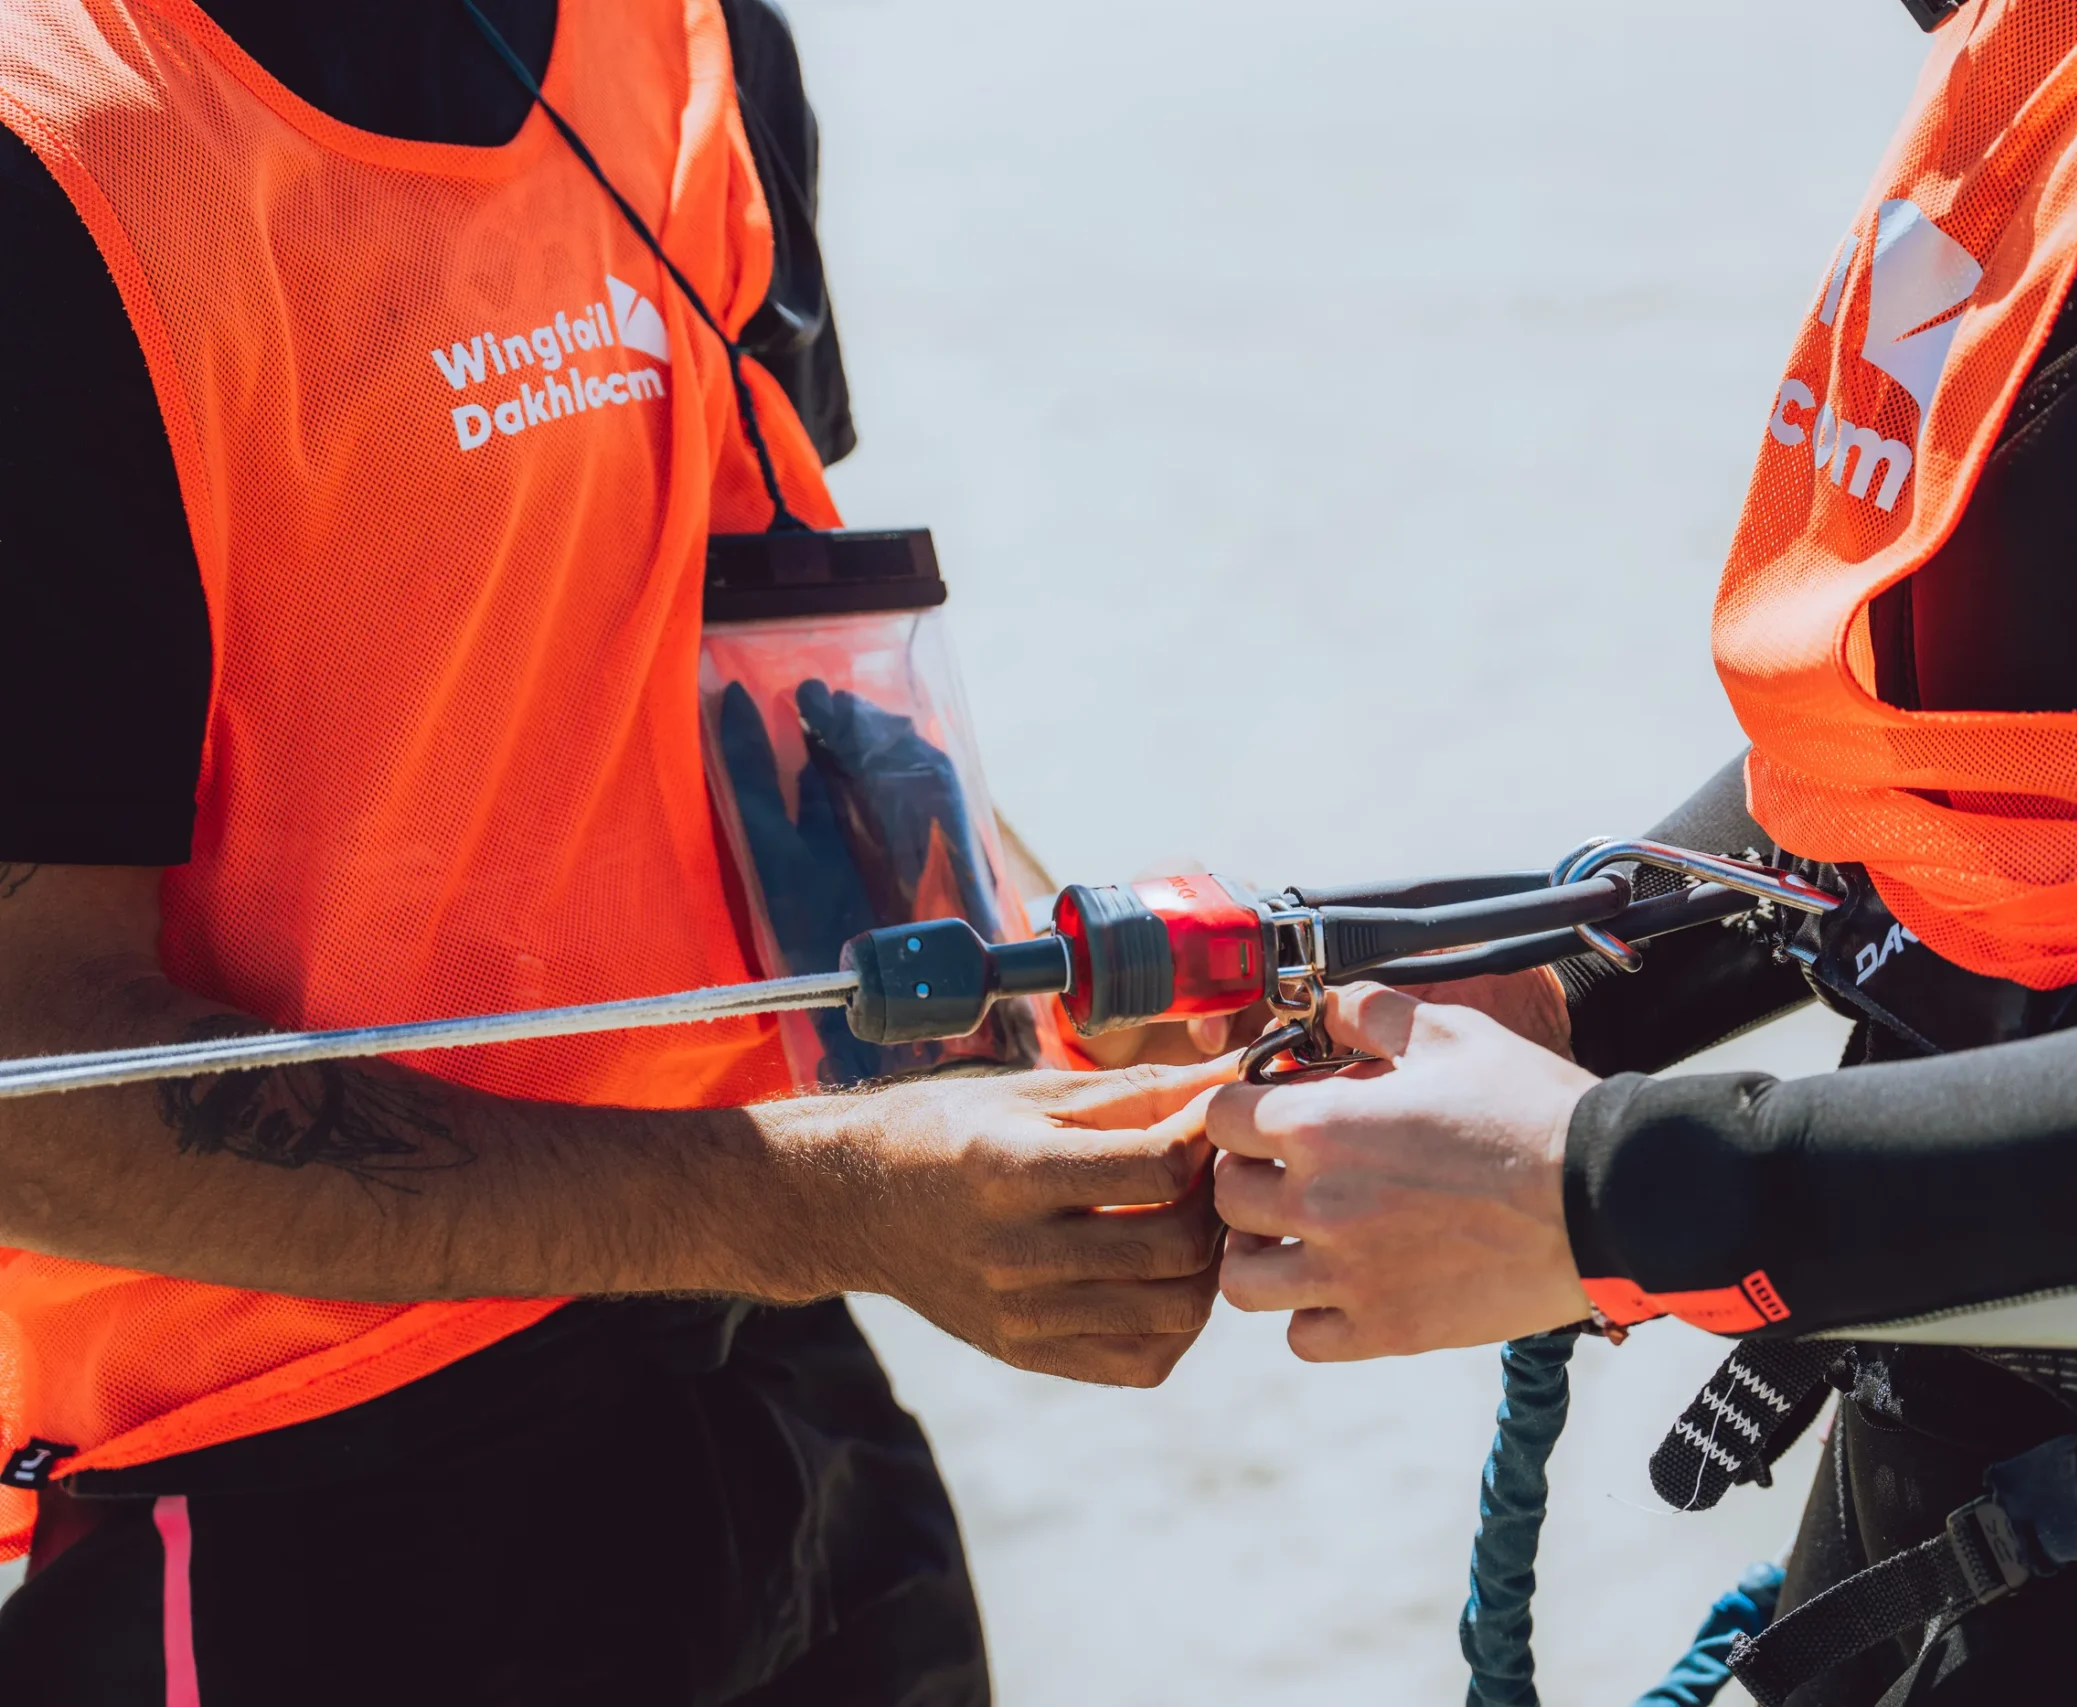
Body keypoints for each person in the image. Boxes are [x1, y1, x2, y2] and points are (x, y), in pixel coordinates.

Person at [1206, 0, 2077, 1702]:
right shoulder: (2067, 38)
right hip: (1963, 1537)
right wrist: (1559, 987)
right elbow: (2033, 744)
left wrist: (1608, 1193)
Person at [0, 3, 1223, 1701]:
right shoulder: (50, 156)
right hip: (295, 1496)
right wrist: (829, 1200)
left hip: (774, 1377)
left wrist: (1099, 1002)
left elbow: (789, 691)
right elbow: (32, 1097)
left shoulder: (691, 38)